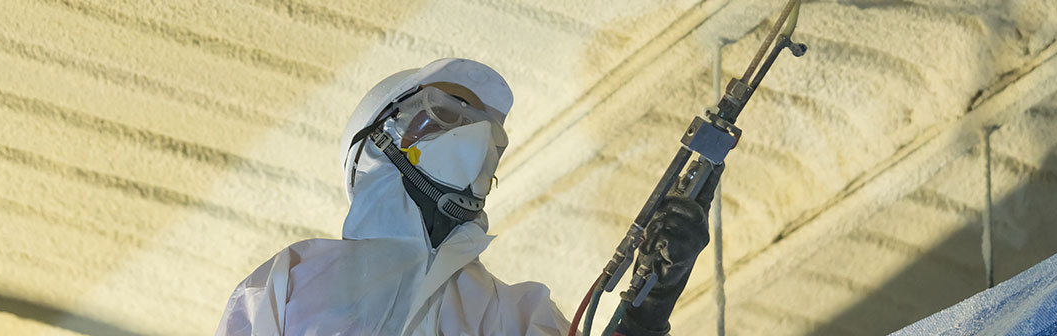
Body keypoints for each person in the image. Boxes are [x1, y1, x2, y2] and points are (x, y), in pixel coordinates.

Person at [214, 58, 713, 335]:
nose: (471, 138)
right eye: (446, 114)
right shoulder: (291, 281)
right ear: (378, 141)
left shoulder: (512, 315)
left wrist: (650, 307)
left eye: (485, 133)